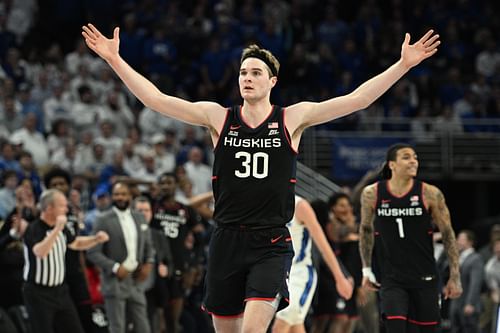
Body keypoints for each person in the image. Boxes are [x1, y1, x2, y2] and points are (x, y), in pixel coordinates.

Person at [82, 22, 440, 333]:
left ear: (272, 80)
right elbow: (155, 99)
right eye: (242, 73)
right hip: (225, 240)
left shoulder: (291, 118)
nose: (247, 78)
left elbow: (357, 99)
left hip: (270, 242)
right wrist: (114, 59)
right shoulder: (218, 117)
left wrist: (403, 65)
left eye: (255, 72)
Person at [359, 143, 463, 333]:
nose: (413, 161)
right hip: (391, 278)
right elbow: (365, 230)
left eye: (415, 157)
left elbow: (448, 234)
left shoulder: (430, 193)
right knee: (395, 326)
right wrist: (366, 269)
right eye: (406, 157)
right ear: (392, 164)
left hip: (425, 276)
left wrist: (455, 276)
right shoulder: (372, 193)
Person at [22, 189, 109, 333]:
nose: (66, 209)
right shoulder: (34, 228)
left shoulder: (62, 229)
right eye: (62, 206)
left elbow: (75, 243)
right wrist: (57, 229)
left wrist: (95, 239)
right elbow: (40, 252)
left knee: (74, 328)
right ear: (49, 208)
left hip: (60, 291)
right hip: (38, 293)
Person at [272, 195, 353, 333]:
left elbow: (323, 245)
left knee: (280, 327)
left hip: (300, 275)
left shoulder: (300, 206)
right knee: (295, 326)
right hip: (280, 275)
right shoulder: (267, 204)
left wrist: (340, 277)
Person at [86, 182, 155, 333]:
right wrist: (115, 267)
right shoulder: (103, 219)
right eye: (117, 194)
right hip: (115, 281)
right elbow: (92, 252)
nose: (120, 197)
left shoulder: (139, 218)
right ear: (112, 196)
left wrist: (149, 263)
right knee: (117, 328)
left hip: (136, 281)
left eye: (124, 194)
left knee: (143, 327)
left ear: (130, 196)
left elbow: (149, 246)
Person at [449, 230, 483, 333]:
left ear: (470, 242)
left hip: (467, 304)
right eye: (458, 239)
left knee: (469, 330)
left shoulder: (476, 258)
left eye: (461, 239)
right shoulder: (458, 258)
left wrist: (470, 303)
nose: (458, 241)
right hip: (456, 303)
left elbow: (475, 283)